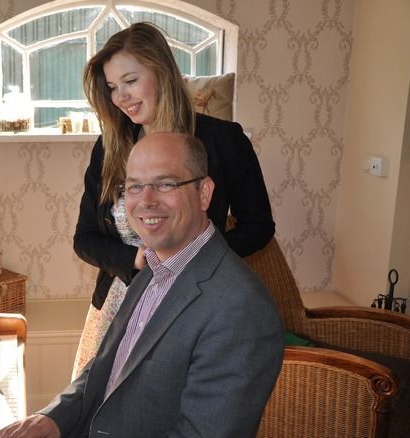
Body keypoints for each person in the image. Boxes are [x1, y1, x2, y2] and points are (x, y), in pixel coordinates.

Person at [0, 132, 284, 438]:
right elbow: (106, 367)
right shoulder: (152, 267)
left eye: (165, 184)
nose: (145, 201)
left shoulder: (241, 309)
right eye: (134, 186)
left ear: (204, 193)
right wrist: (51, 419)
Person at [72, 22, 275, 378]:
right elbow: (85, 239)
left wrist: (193, 262)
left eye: (130, 81)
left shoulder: (225, 140)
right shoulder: (108, 147)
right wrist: (136, 259)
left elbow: (259, 227)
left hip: (196, 304)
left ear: (162, 72)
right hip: (117, 308)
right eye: (112, 87)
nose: (121, 97)